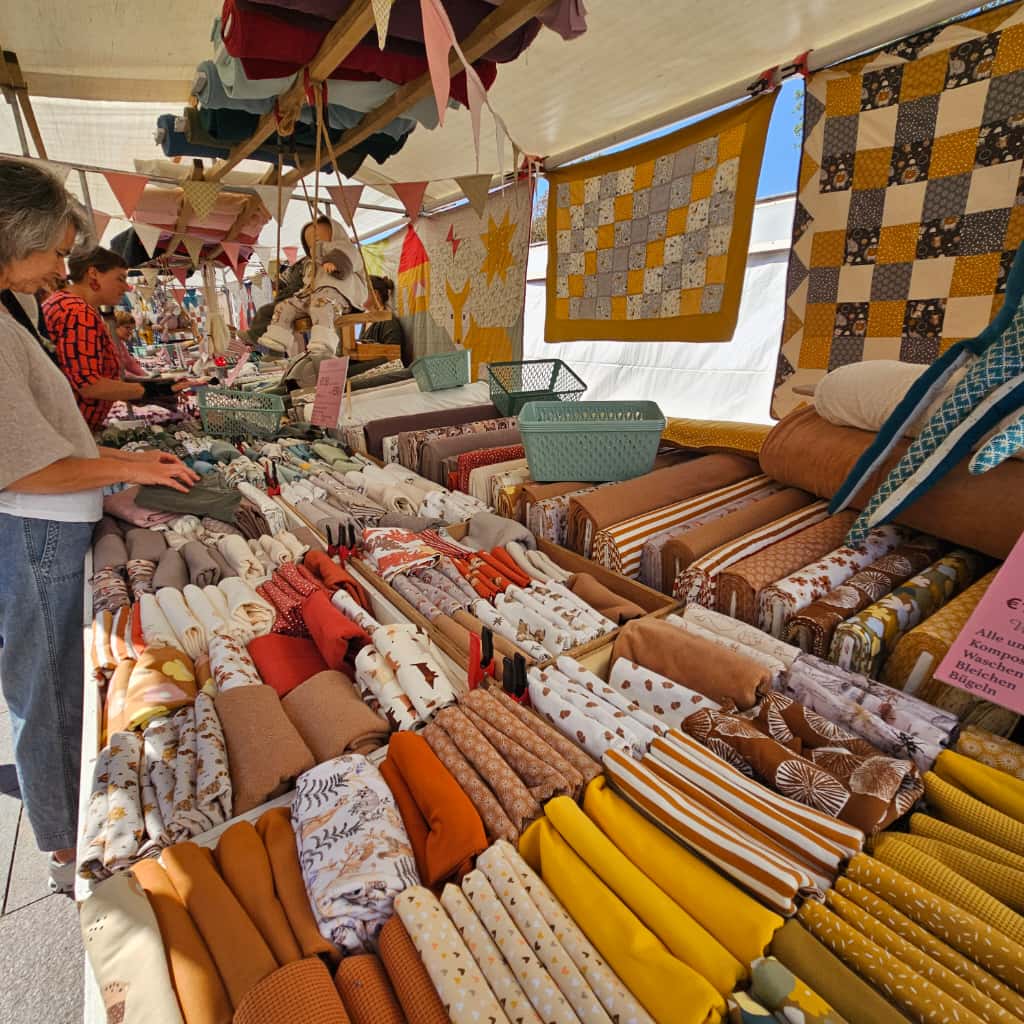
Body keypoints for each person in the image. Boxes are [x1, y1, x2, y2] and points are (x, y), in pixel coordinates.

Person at [0, 158, 198, 893]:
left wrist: (124, 463)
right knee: (48, 687)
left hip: (47, 529)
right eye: (53, 252)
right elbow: (24, 467)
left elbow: (48, 442)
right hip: (34, 532)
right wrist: (129, 471)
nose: (62, 269)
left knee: (54, 681)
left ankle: (65, 825)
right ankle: (63, 847)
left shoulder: (11, 313)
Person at [42, 247, 146, 431]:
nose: (126, 287)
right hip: (69, 429)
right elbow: (88, 385)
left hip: (63, 425)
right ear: (93, 274)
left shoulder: (65, 303)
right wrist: (149, 391)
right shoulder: (77, 312)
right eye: (120, 278)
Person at [259, 216, 368, 359]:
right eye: (309, 239)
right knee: (286, 306)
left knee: (321, 305)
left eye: (318, 235)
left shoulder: (345, 248)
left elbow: (347, 257)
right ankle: (278, 335)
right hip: (311, 294)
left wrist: (335, 262)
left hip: (339, 294)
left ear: (335, 232)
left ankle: (323, 341)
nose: (314, 240)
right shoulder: (312, 262)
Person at [360, 275, 412, 366]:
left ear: (375, 294)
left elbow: (394, 358)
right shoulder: (365, 321)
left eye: (361, 291)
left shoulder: (388, 321)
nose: (357, 295)